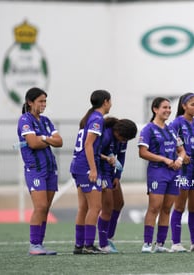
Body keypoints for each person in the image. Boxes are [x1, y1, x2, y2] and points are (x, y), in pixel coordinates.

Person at [17, 87, 63, 255]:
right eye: (40, 101)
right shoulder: (25, 120)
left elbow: (59, 142)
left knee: (46, 208)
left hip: (51, 168)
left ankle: (39, 245)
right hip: (35, 169)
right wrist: (47, 140)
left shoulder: (46, 121)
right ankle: (34, 245)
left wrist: (42, 138)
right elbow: (32, 144)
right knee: (40, 206)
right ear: (30, 102)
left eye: (45, 101)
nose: (43, 104)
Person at [138, 97, 186, 253]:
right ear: (155, 109)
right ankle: (146, 244)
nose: (168, 110)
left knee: (166, 209)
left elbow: (181, 150)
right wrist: (164, 159)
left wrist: (179, 159)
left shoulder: (171, 129)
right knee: (154, 207)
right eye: (164, 107)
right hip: (157, 172)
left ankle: (160, 244)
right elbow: (143, 152)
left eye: (169, 107)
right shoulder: (148, 129)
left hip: (174, 173)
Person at [70, 90, 112, 254]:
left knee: (84, 208)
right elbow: (88, 145)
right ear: (106, 102)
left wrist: (103, 157)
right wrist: (93, 169)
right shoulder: (97, 119)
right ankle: (88, 245)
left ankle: (79, 245)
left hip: (78, 165)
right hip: (85, 167)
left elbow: (89, 147)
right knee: (95, 207)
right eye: (110, 101)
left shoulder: (89, 117)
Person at [169, 93, 194, 252]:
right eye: (192, 104)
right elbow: (171, 144)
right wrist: (180, 155)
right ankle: (176, 243)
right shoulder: (177, 123)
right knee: (179, 206)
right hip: (183, 171)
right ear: (184, 106)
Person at [98, 117, 137, 253]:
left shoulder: (122, 139)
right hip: (101, 173)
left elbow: (121, 158)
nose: (124, 141)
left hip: (111, 174)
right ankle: (103, 244)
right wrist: (106, 162)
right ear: (117, 132)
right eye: (123, 138)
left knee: (119, 203)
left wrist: (117, 176)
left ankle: (109, 238)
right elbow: (95, 153)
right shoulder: (107, 135)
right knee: (107, 207)